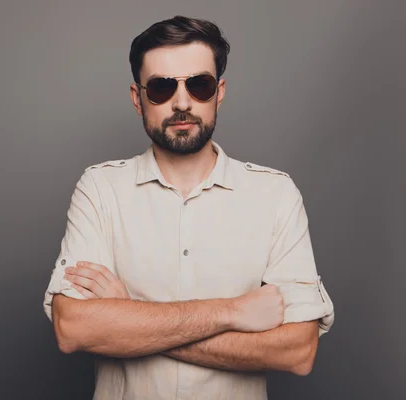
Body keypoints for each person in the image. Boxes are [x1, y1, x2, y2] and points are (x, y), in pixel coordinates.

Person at [42, 15, 335, 400]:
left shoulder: (275, 194)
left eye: (199, 85)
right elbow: (74, 329)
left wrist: (130, 317)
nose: (182, 103)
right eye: (162, 88)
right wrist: (231, 312)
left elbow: (298, 351)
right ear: (138, 98)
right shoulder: (100, 189)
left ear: (220, 91)